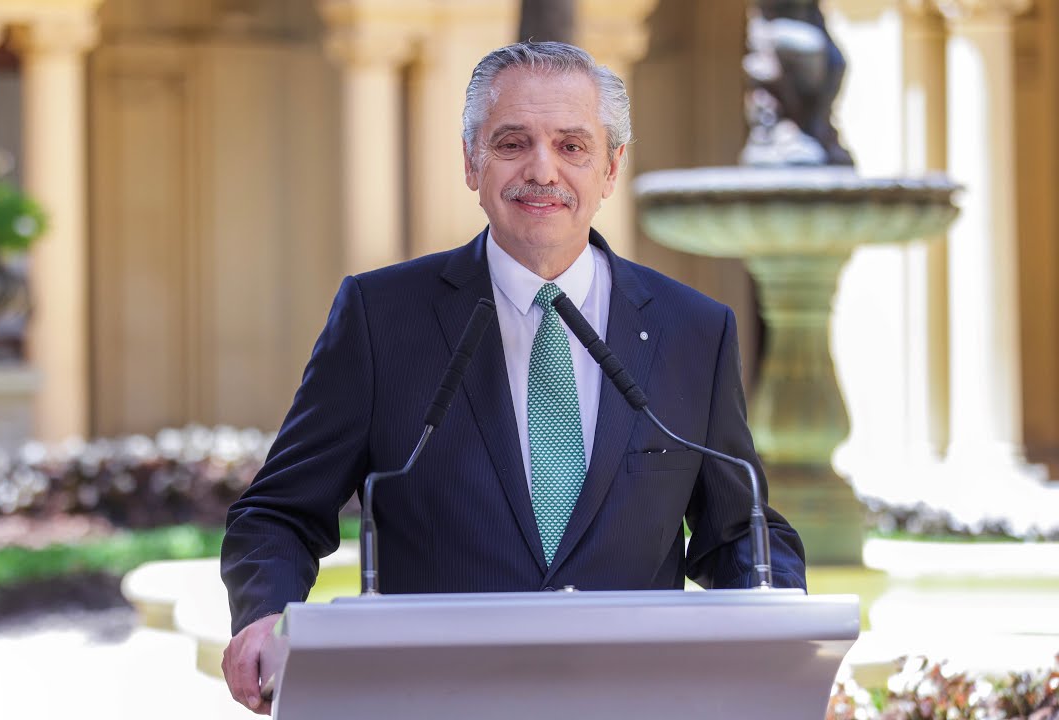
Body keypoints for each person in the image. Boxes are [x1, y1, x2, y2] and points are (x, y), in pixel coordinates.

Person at [220, 41, 807, 714]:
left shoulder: (693, 331)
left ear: (612, 167)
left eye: (572, 145)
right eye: (511, 143)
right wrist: (264, 614)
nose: (542, 169)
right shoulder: (381, 319)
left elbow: (740, 532)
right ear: (471, 162)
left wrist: (784, 630)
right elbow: (278, 514)